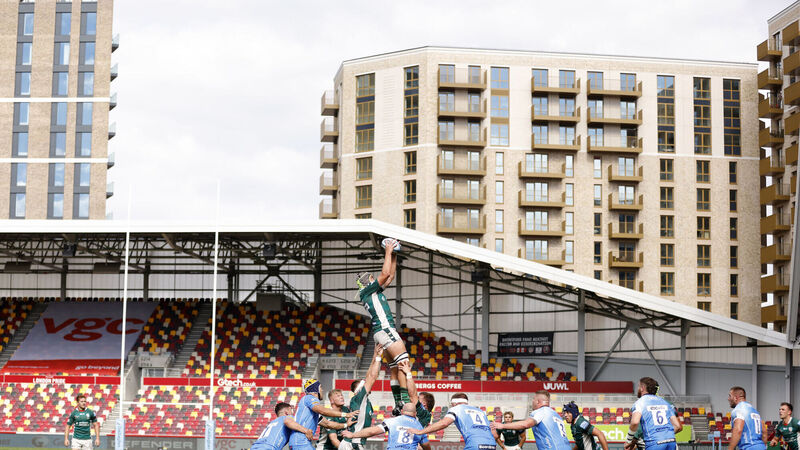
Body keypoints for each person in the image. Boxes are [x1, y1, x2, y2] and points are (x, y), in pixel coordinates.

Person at [355, 238, 410, 410]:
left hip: (381, 332)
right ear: (368, 281)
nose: (375, 279)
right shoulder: (367, 290)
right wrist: (388, 250)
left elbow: (390, 275)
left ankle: (398, 402)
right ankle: (404, 400)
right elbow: (385, 274)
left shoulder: (371, 292)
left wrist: (394, 255)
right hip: (385, 329)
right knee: (404, 363)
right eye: (373, 278)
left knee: (394, 368)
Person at [408, 393, 497, 450]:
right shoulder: (481, 411)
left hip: (475, 444)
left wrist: (420, 432)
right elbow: (494, 435)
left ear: (454, 403)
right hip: (492, 445)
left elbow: (444, 423)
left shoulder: (457, 408)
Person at [289, 378, 359, 450]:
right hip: (301, 442)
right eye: (320, 388)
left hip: (301, 442)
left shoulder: (313, 411)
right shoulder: (310, 397)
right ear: (315, 389)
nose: (322, 390)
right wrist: (346, 415)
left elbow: (328, 424)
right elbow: (322, 411)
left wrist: (346, 425)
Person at [339, 343, 384, 450]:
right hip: (353, 443)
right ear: (359, 389)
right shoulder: (359, 397)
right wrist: (378, 357)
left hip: (352, 442)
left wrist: (374, 355)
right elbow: (372, 377)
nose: (366, 384)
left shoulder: (362, 400)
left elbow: (368, 375)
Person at [492, 390, 571, 450]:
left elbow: (526, 424)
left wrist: (502, 425)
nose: (532, 402)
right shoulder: (555, 414)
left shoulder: (541, 412)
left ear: (537, 401)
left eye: (533, 399)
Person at [342, 402, 431, 450]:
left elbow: (372, 431)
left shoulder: (392, 421)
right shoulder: (419, 427)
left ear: (402, 411)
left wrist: (353, 435)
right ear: (415, 413)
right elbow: (426, 445)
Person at [625, 377, 681, 450]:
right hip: (671, 442)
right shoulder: (665, 402)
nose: (638, 389)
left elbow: (635, 422)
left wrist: (628, 440)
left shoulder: (640, 402)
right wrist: (664, 436)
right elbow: (677, 426)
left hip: (655, 443)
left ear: (642, 388)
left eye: (639, 386)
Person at [397, 360, 434, 427]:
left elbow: (412, 395)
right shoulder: (422, 415)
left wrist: (408, 373)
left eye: (418, 398)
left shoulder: (424, 413)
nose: (416, 399)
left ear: (424, 404)